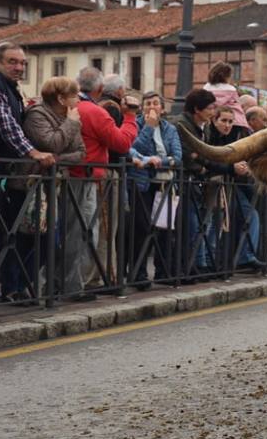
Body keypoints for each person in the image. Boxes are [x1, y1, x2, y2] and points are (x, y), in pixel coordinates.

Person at [0, 41, 54, 300]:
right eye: (12, 62)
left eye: (22, 62)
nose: (19, 67)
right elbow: (6, 125)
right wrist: (33, 152)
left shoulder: (10, 87)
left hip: (4, 170)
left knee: (1, 231)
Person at [65, 67, 137, 299]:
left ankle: (66, 282)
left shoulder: (73, 107)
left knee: (74, 231)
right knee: (86, 233)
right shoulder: (94, 111)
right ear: (99, 88)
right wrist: (130, 117)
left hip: (73, 173)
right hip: (87, 176)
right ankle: (74, 285)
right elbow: (122, 143)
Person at [20, 77, 86, 297]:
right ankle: (19, 287)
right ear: (61, 98)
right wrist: (71, 125)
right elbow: (50, 143)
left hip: (56, 182)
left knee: (52, 240)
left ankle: (31, 286)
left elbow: (81, 153)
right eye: (74, 96)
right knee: (31, 238)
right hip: (34, 182)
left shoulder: (69, 116)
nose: (78, 100)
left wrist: (56, 158)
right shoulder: (37, 114)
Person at [127, 91, 182, 284]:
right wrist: (149, 127)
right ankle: (138, 273)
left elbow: (177, 156)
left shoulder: (170, 129)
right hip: (142, 183)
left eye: (156, 103)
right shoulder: (137, 124)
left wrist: (161, 161)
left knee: (165, 228)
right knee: (141, 229)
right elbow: (135, 148)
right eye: (148, 103)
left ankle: (163, 271)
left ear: (162, 108)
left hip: (164, 184)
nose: (152, 107)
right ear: (142, 108)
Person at [205, 104, 260, 270]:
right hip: (211, 186)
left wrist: (242, 167)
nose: (227, 125)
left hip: (230, 186)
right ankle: (207, 262)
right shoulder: (209, 135)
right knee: (210, 223)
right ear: (214, 120)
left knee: (248, 216)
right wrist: (232, 167)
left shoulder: (232, 137)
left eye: (230, 121)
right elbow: (207, 161)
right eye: (223, 121)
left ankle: (245, 257)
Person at [174, 88, 218, 275]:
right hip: (183, 182)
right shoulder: (181, 124)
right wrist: (201, 165)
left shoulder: (205, 126)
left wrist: (201, 161)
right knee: (190, 225)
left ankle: (197, 264)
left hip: (198, 182)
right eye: (210, 107)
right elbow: (187, 155)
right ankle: (187, 267)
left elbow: (202, 153)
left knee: (200, 224)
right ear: (197, 109)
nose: (213, 111)